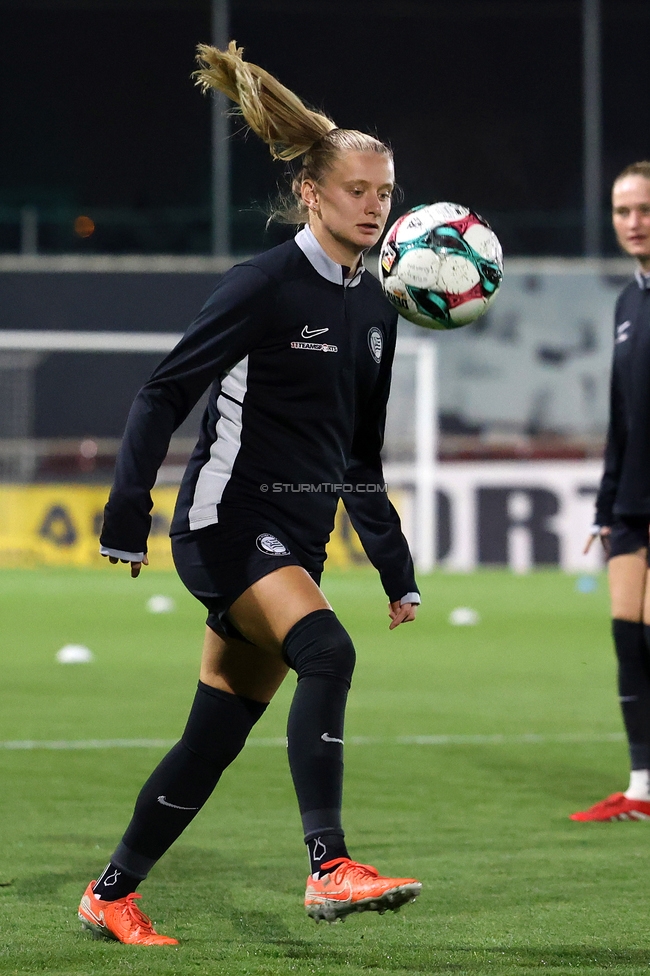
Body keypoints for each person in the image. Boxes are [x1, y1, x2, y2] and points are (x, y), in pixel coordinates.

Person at [77, 41, 422, 945]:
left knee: (214, 736)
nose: (374, 206)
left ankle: (110, 893)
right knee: (327, 651)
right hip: (226, 523)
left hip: (295, 538)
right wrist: (126, 513)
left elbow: (359, 454)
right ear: (311, 193)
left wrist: (395, 569)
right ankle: (329, 865)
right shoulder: (263, 285)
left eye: (385, 192)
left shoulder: (377, 305)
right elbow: (163, 392)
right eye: (357, 190)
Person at [572, 161, 650, 823]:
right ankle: (642, 789)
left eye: (645, 209)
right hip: (631, 503)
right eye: (623, 211)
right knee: (628, 637)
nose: (634, 222)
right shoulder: (628, 303)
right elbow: (623, 418)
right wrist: (604, 506)